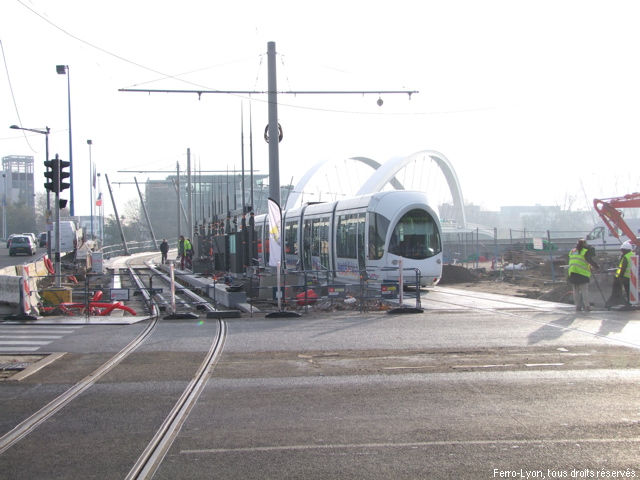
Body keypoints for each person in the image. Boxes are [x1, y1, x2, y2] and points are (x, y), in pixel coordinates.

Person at [567, 239, 599, 312]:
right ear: (584, 244)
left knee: (576, 291)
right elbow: (589, 260)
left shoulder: (572, 251)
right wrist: (596, 266)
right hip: (582, 273)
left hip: (573, 272)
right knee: (584, 290)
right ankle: (587, 306)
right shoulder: (584, 251)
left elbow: (577, 260)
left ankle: (578, 306)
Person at [607, 241, 634, 307]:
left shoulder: (626, 257)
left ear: (625, 250)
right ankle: (631, 302)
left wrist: (619, 276)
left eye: (622, 250)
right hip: (633, 276)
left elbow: (623, 268)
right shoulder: (633, 254)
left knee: (626, 290)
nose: (622, 252)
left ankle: (628, 302)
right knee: (630, 291)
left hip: (626, 277)